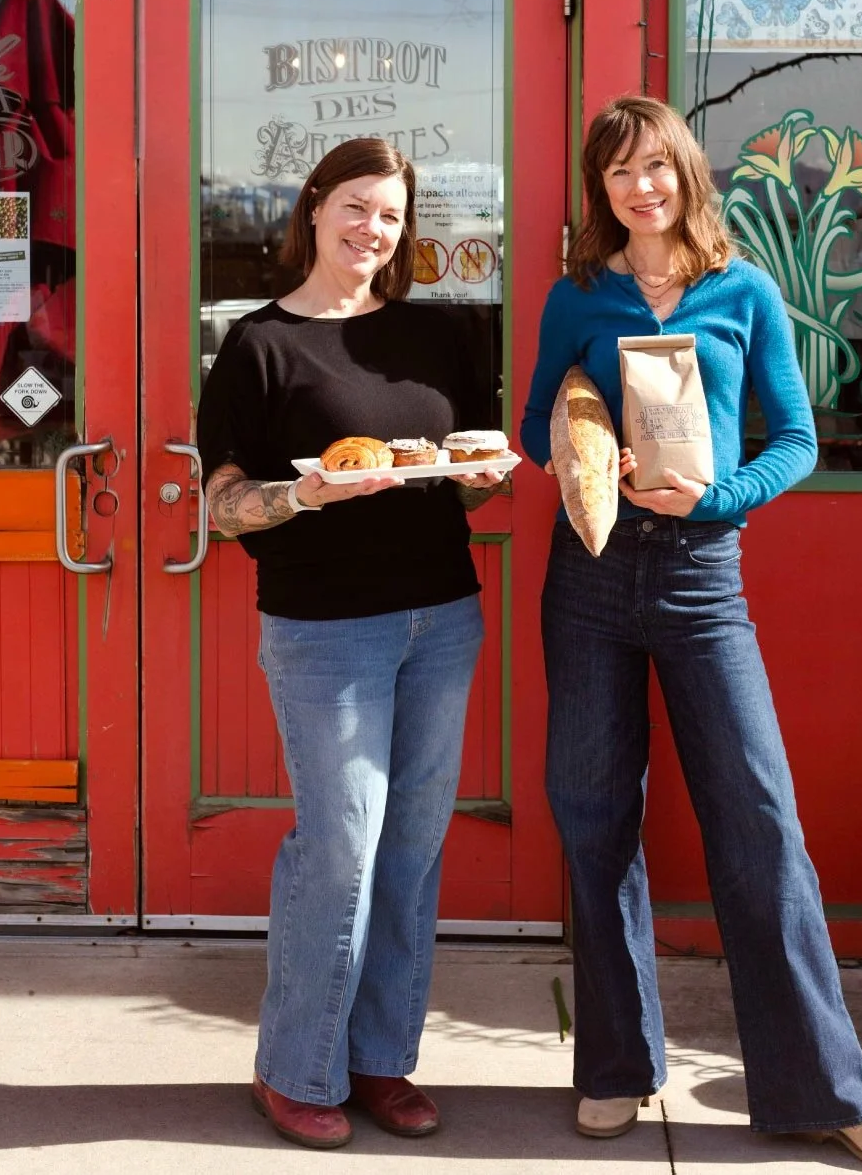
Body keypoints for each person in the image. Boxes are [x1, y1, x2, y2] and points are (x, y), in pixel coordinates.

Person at [519, 96, 862, 1174]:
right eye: (617, 174)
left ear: (686, 174)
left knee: (759, 822)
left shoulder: (743, 289)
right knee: (595, 818)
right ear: (600, 191)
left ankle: (824, 1089)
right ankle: (613, 1067)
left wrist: (717, 496)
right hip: (592, 578)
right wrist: (578, 422)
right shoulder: (579, 295)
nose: (639, 187)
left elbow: (793, 439)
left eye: (656, 166)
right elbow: (529, 431)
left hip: (703, 578)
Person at [197, 138, 503, 1151]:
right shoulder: (259, 345)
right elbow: (227, 507)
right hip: (325, 630)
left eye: (391, 214)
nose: (373, 229)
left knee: (411, 849)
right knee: (340, 849)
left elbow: (469, 459)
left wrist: (484, 472)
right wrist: (303, 492)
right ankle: (295, 1067)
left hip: (442, 617)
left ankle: (380, 1061)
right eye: (357, 207)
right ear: (316, 206)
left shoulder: (442, 336)